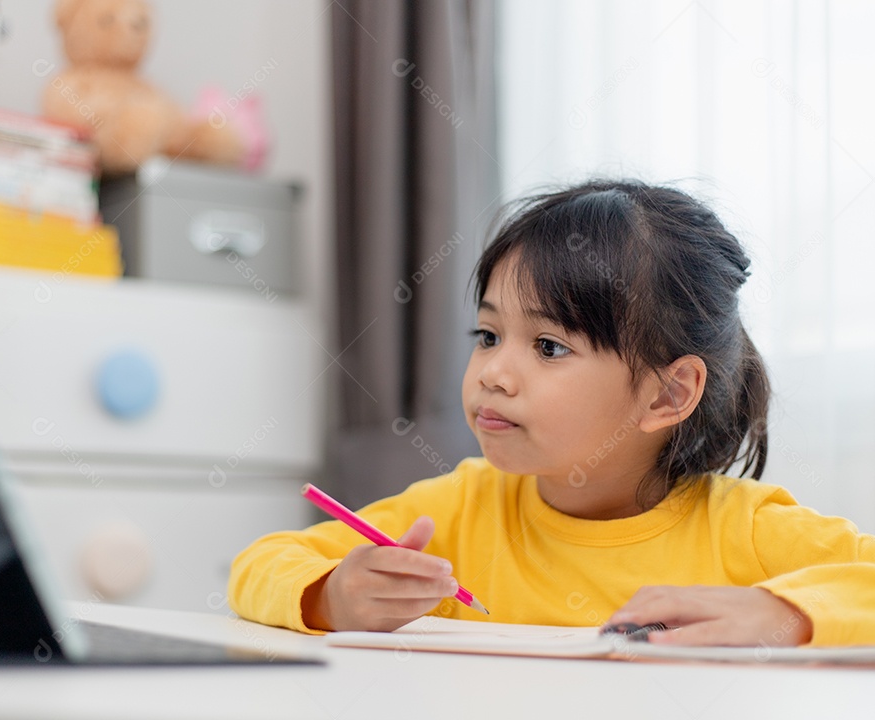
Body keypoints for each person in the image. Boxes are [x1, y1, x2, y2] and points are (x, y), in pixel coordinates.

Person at [228, 179, 875, 646]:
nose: (494, 373)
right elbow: (259, 563)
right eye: (486, 336)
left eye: (548, 346)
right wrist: (332, 596)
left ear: (668, 395)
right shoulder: (460, 509)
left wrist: (781, 613)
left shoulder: (745, 530)